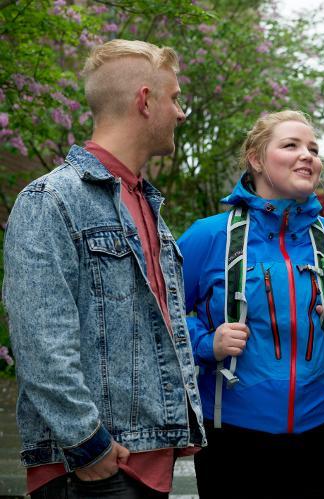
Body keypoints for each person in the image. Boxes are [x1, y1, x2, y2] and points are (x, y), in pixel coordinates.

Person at [3, 39, 205, 498]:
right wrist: (87, 445)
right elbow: (40, 341)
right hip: (94, 470)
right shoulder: (50, 200)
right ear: (145, 100)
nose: (180, 112)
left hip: (145, 460)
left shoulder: (146, 202)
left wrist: (179, 420)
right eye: (174, 98)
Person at [177, 110, 324, 498]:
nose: (308, 156)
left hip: (322, 427)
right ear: (256, 158)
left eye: (313, 149)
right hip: (232, 429)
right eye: (291, 145)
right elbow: (163, 315)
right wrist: (206, 342)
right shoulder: (208, 236)